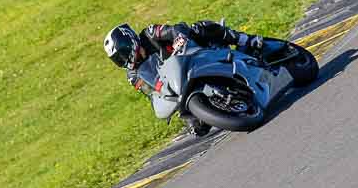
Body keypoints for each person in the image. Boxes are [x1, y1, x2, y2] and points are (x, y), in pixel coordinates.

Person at [103, 21, 263, 137]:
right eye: (118, 59)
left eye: (123, 53)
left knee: (199, 28)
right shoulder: (133, 75)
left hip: (191, 55)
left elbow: (173, 29)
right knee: (198, 129)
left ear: (130, 41)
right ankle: (219, 103)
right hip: (176, 89)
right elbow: (152, 93)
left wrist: (179, 38)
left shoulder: (149, 34)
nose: (124, 60)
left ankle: (245, 39)